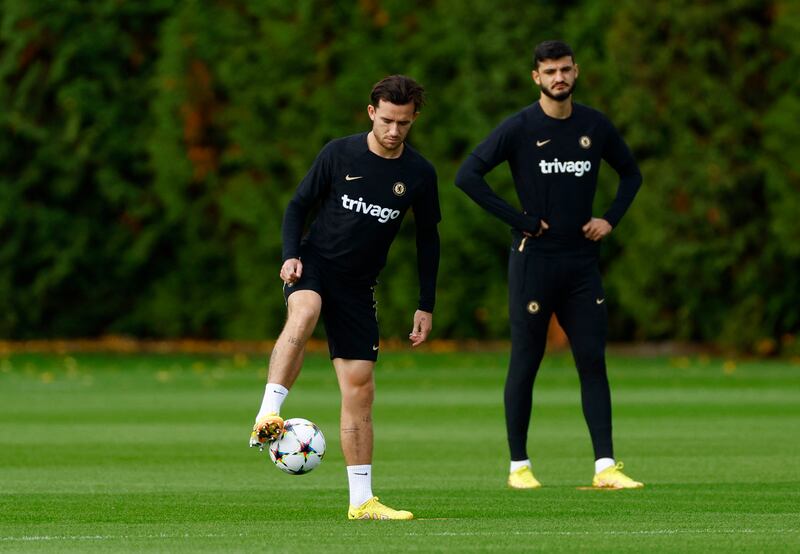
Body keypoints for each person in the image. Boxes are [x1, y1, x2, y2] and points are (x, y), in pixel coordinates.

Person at [250, 75, 440, 519]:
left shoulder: (419, 174)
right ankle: (267, 413)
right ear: (372, 113)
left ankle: (362, 502)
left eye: (404, 123)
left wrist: (425, 302)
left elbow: (428, 240)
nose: (394, 131)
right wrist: (291, 255)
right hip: (314, 265)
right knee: (307, 308)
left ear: (413, 121)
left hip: (358, 287)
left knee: (360, 390)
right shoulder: (339, 153)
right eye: (388, 120)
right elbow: (298, 205)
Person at [455, 40, 644, 489]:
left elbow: (631, 173)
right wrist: (519, 220)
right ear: (535, 78)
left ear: (576, 72)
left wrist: (609, 219)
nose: (558, 78)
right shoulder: (520, 127)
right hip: (534, 263)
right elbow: (467, 175)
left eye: (565, 69)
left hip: (581, 263)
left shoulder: (594, 126)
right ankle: (518, 467)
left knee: (592, 361)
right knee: (526, 362)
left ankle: (606, 468)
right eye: (549, 71)